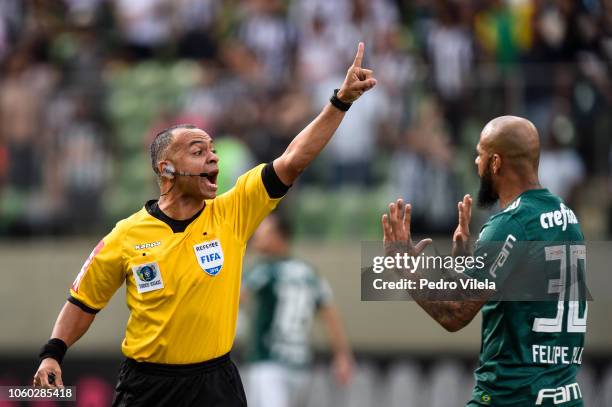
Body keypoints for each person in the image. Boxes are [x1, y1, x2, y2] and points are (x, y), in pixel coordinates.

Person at [32, 42, 376, 406]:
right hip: (148, 387)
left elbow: (292, 160)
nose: (212, 158)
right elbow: (83, 300)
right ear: (166, 169)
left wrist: (339, 102)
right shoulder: (125, 235)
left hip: (216, 384)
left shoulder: (233, 212)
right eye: (198, 152)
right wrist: (54, 351)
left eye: (211, 150)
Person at [381, 116, 587, 406]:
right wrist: (466, 263)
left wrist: (406, 269)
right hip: (565, 396)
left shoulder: (510, 223)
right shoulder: (567, 216)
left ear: (496, 163)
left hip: (512, 397)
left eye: (479, 154)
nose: (476, 164)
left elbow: (455, 313)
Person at [241, 211, 353, 407]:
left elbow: (236, 299)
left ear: (280, 236)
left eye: (264, 231)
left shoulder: (264, 271)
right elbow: (331, 316)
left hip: (268, 362)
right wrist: (342, 355)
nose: (257, 235)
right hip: (300, 365)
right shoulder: (308, 272)